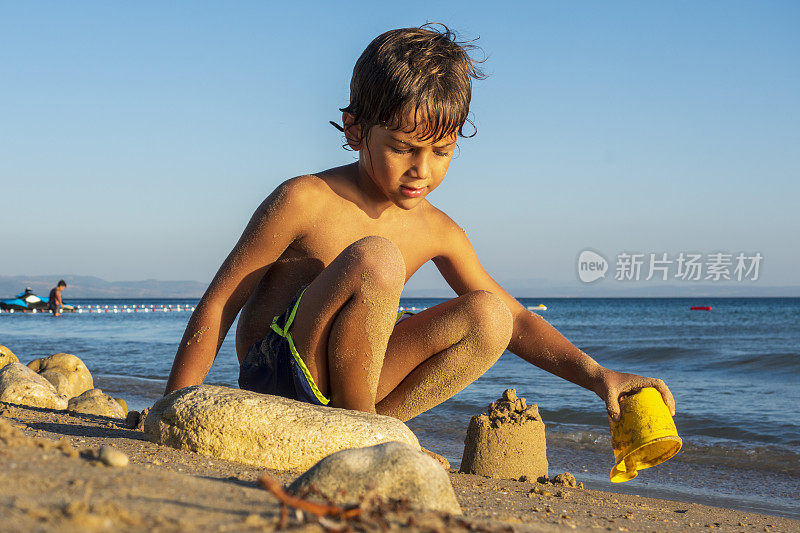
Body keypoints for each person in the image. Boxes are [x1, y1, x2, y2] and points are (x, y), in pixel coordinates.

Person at [166, 24, 674, 429]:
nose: (422, 170)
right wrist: (175, 407)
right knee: (378, 258)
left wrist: (598, 375)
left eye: (441, 151)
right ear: (355, 129)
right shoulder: (305, 198)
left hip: (349, 390)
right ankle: (362, 427)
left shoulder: (439, 230)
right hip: (276, 371)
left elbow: (518, 323)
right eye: (403, 147)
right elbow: (221, 303)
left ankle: (370, 431)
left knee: (490, 315)